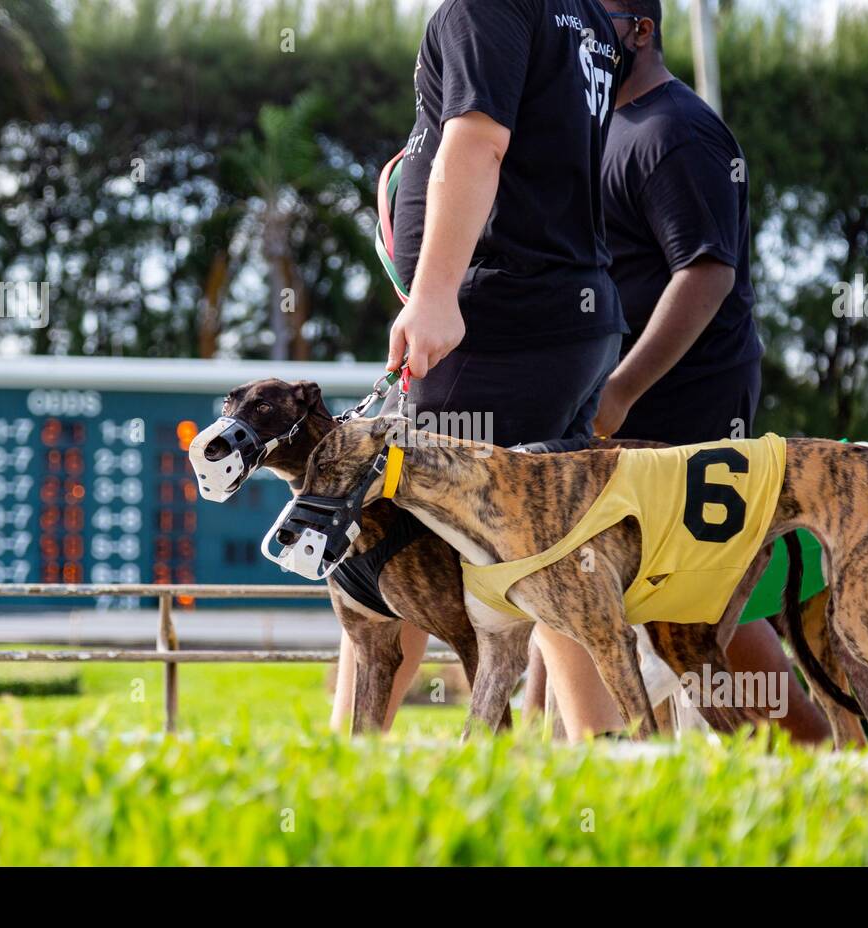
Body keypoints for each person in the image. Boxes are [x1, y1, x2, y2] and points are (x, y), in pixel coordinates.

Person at [520, 0, 832, 742]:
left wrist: (619, 391)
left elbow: (706, 275)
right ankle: (559, 744)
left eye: (597, 23)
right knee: (587, 575)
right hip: (615, 396)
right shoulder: (599, 129)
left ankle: (805, 741)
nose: (581, 39)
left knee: (679, 597)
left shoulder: (674, 133)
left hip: (684, 403)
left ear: (639, 30)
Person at [330, 0, 631, 731]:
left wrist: (434, 297)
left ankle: (342, 767)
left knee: (385, 534)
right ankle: (607, 755)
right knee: (550, 544)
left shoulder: (485, 6)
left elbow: (477, 144)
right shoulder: (580, 14)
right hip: (570, 318)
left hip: (503, 324)